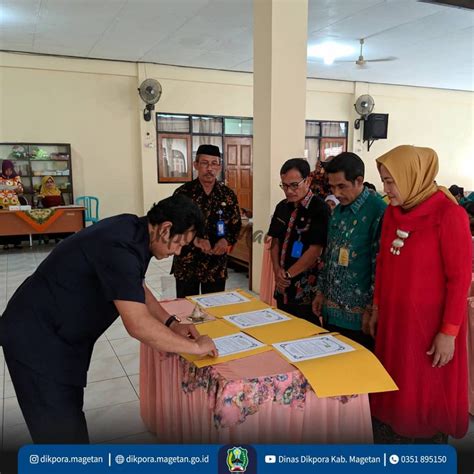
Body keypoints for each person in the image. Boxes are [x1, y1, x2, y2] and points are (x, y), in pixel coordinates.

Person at [0, 194, 217, 444]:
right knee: (61, 438)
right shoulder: (120, 246)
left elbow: (137, 286)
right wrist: (195, 347)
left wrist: (172, 324)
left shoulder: (134, 229)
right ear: (166, 228)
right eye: (180, 244)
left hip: (59, 337)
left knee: (69, 421)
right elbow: (137, 324)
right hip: (37, 340)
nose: (178, 252)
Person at [370, 145, 472, 443]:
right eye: (384, 180)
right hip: (395, 320)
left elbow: (460, 278)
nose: (386, 189)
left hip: (429, 327)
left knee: (424, 391)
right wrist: (376, 308)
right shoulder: (393, 213)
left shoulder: (449, 215)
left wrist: (449, 332)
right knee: (394, 386)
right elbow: (383, 264)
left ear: (412, 176)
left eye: (391, 181)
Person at [312, 152, 386, 349]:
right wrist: (320, 292)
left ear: (359, 181)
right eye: (332, 187)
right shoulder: (337, 211)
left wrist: (372, 309)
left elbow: (379, 265)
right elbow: (328, 255)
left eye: (342, 186)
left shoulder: (378, 212)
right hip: (331, 311)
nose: (336, 193)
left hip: (359, 317)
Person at [172, 144, 241, 297]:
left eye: (214, 163)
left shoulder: (227, 195)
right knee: (186, 308)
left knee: (214, 309)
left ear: (219, 166)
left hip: (215, 264)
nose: (210, 168)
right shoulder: (182, 193)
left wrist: (226, 241)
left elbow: (236, 224)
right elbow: (174, 227)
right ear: (196, 165)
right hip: (187, 263)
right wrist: (195, 240)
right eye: (204, 163)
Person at [268, 158, 329, 321]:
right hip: (282, 286)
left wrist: (288, 275)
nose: (289, 191)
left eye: (294, 185)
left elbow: (315, 250)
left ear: (307, 181)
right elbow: (274, 242)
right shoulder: (282, 207)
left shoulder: (320, 209)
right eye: (284, 185)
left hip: (305, 290)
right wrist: (277, 272)